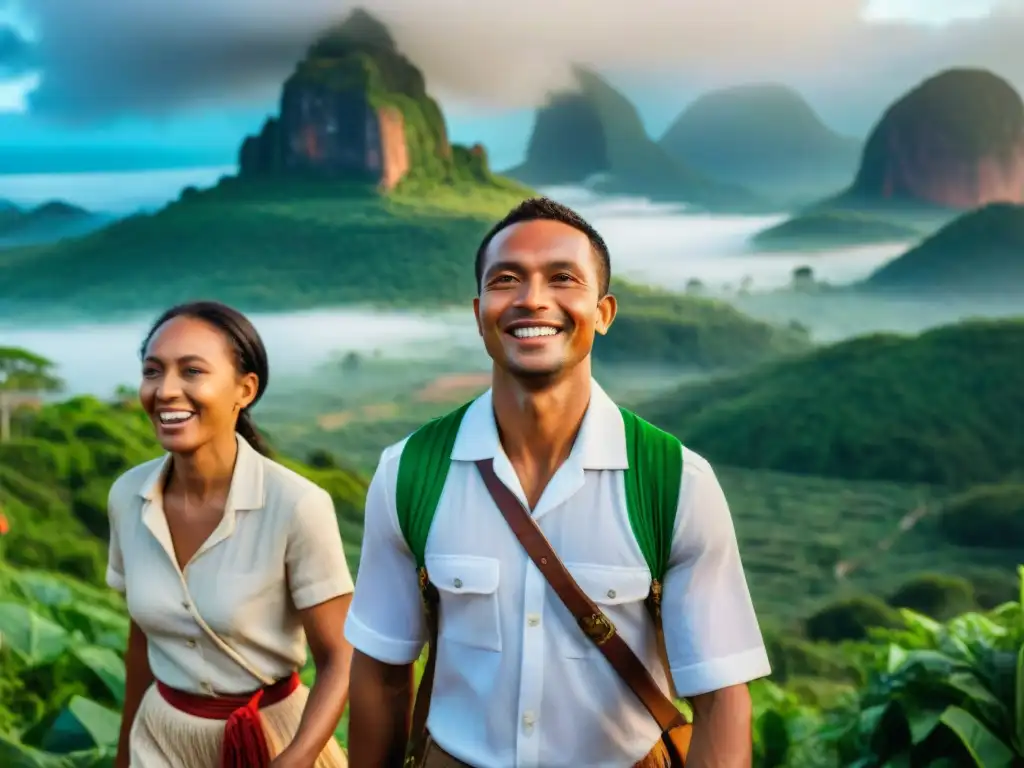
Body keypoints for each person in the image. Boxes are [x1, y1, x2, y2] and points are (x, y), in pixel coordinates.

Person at [345, 197, 772, 768]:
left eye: (562, 278)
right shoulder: (409, 474)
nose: (532, 299)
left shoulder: (675, 483)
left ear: (603, 311)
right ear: (479, 313)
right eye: (507, 280)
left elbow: (721, 698)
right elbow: (380, 675)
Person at [106, 300, 354, 768]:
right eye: (153, 371)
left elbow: (341, 657)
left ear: (245, 389)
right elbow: (142, 643)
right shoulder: (126, 497)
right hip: (161, 740)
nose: (166, 390)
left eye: (192, 371)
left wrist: (296, 758)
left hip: (274, 738)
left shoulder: (296, 505)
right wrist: (124, 756)